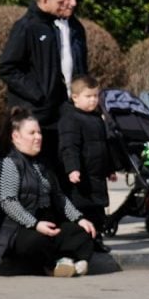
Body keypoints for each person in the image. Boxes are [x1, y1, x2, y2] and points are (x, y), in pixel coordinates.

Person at [0, 107, 98, 275]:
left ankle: (63, 262)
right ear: (16, 137)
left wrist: (79, 219)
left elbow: (59, 197)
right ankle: (60, 262)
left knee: (82, 233)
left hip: (42, 225)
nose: (38, 137)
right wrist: (35, 224)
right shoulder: (6, 162)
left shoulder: (42, 163)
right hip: (10, 230)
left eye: (39, 133)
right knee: (35, 242)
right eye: (32, 133)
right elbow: (8, 202)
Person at [0, 0, 88, 169]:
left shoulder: (56, 27)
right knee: (29, 170)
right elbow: (8, 68)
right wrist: (38, 95)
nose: (67, 5)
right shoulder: (26, 27)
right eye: (61, 2)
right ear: (45, 0)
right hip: (34, 111)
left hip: (57, 112)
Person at [59, 74, 116, 235]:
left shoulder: (97, 118)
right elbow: (69, 146)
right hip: (81, 177)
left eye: (96, 96)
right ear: (75, 97)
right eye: (88, 96)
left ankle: (96, 238)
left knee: (97, 211)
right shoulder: (70, 119)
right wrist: (72, 168)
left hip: (97, 175)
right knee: (82, 209)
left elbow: (105, 146)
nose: (93, 100)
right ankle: (82, 238)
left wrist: (110, 169)